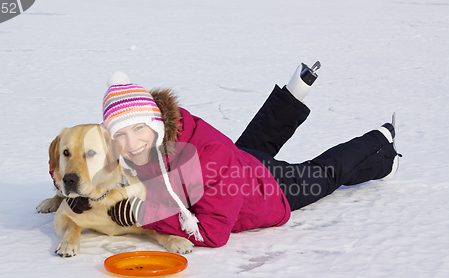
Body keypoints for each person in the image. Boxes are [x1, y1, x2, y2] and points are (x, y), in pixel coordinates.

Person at [70, 63, 401, 247]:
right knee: (246, 149)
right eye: (121, 135)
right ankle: (293, 93)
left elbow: (214, 232)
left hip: (268, 191)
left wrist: (147, 213)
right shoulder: (166, 135)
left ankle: (381, 145)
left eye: (138, 130)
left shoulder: (210, 159)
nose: (131, 143)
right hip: (238, 161)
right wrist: (70, 187)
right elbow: (78, 161)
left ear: (156, 122)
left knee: (324, 174)